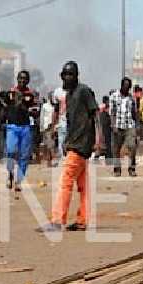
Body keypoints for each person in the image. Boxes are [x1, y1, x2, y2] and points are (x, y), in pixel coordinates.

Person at [40, 61, 99, 233]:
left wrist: (99, 140)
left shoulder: (84, 91)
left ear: (76, 76)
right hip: (75, 143)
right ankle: (83, 220)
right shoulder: (68, 96)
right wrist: (66, 141)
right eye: (65, 75)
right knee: (83, 185)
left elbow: (95, 115)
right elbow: (71, 122)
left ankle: (58, 220)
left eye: (70, 74)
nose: (67, 78)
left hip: (82, 144)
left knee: (65, 181)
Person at [5, 71, 37, 190]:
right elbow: (5, 107)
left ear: (28, 80)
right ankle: (10, 174)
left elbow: (36, 111)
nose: (22, 81)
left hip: (25, 127)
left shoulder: (31, 95)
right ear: (17, 79)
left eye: (25, 79)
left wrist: (28, 110)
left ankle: (19, 181)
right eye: (20, 78)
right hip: (12, 127)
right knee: (11, 151)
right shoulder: (11, 93)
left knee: (24, 155)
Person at [110, 77, 139, 176]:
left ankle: (132, 169)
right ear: (122, 86)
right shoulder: (114, 96)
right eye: (125, 86)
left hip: (129, 125)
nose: (127, 88)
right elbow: (112, 112)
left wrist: (137, 126)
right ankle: (117, 170)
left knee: (132, 146)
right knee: (116, 149)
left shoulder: (132, 98)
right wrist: (113, 125)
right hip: (117, 125)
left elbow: (135, 112)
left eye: (128, 87)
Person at [40, 96, 56, 166]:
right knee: (49, 143)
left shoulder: (54, 106)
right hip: (47, 126)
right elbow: (42, 116)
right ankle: (49, 160)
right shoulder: (45, 106)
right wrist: (41, 127)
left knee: (50, 143)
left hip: (53, 126)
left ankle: (49, 160)